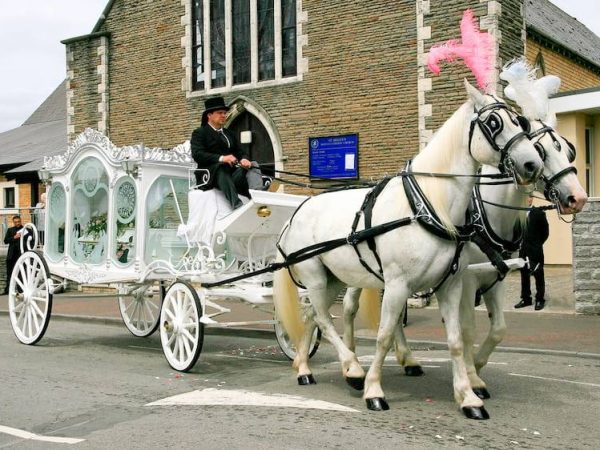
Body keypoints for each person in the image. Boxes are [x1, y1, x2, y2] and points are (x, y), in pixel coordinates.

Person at [190, 96, 264, 209]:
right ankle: (236, 204)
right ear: (209, 115)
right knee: (220, 167)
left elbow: (240, 151)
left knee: (253, 164)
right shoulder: (200, 133)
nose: (224, 115)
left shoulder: (229, 133)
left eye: (224, 113)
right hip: (210, 175)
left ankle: (258, 194)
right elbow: (198, 154)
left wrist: (244, 159)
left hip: (232, 174)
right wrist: (222, 158)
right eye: (220, 113)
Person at [514, 198, 549, 311]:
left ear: (531, 199)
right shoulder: (518, 213)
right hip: (523, 250)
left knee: (538, 274)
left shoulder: (538, 213)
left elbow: (545, 232)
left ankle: (540, 299)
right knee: (524, 275)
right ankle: (526, 299)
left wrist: (537, 243)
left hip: (535, 249)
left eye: (529, 197)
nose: (527, 199)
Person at [3, 215, 24, 295]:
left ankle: (21, 290)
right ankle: (8, 290)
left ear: (20, 221)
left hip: (21, 255)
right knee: (10, 273)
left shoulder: (26, 229)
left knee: (21, 273)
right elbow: (5, 241)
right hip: (11, 256)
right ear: (13, 222)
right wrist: (14, 237)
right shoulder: (10, 230)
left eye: (18, 222)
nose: (17, 223)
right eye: (15, 222)